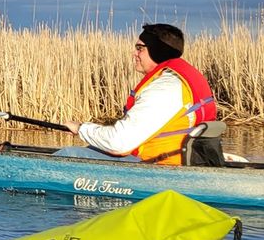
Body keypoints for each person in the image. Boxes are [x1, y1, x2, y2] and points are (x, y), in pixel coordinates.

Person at [57, 23, 219, 166]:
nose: (134, 53)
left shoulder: (164, 89)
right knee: (92, 149)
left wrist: (81, 128)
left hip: (159, 166)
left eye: (140, 48)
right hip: (173, 161)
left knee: (68, 155)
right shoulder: (180, 79)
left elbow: (119, 142)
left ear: (157, 51)